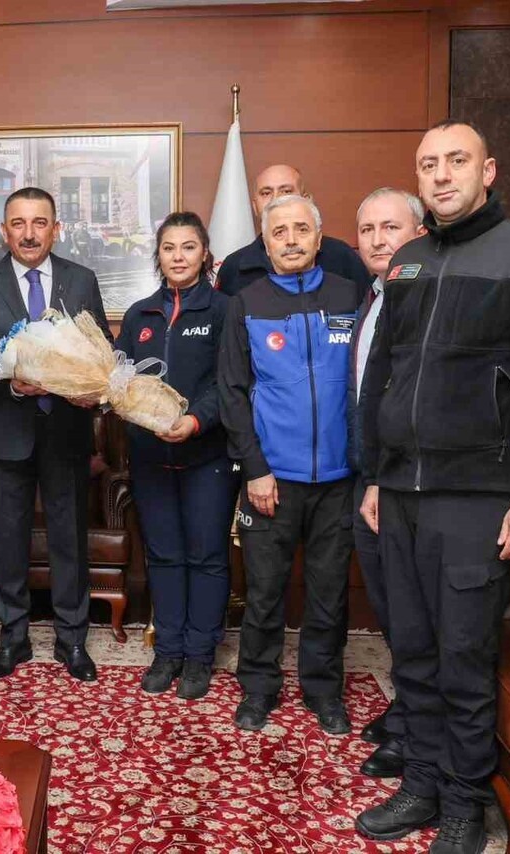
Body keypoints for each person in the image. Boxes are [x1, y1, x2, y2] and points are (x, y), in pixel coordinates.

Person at [355, 120, 510, 854]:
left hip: (481, 495)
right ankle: (423, 783)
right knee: (413, 650)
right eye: (428, 163)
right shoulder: (408, 261)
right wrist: (375, 473)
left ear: (488, 171)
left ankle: (463, 802)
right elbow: (382, 372)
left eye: (457, 160)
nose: (441, 174)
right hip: (400, 491)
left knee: (463, 656)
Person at [217, 194, 359, 736]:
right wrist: (255, 468)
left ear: (319, 238)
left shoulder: (350, 295)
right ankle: (258, 687)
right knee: (264, 593)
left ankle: (324, 690)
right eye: (280, 232)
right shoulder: (246, 303)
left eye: (302, 229)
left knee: (329, 594)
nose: (292, 240)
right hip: (271, 479)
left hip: (339, 480)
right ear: (265, 243)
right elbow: (232, 394)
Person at [0, 187, 112, 683]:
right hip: (7, 432)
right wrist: (12, 380)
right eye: (19, 223)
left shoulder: (81, 279)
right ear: (4, 231)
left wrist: (93, 387)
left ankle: (73, 639)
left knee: (70, 538)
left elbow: (101, 349)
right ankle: (13, 637)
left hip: (66, 431)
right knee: (9, 540)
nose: (29, 233)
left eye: (40, 222)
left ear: (56, 229)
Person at [114, 212, 238, 699]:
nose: (179, 256)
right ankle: (167, 651)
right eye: (169, 248)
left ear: (205, 254)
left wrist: (195, 421)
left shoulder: (225, 310)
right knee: (163, 555)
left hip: (207, 456)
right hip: (150, 457)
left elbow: (229, 383)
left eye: (189, 247)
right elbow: (120, 379)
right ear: (159, 255)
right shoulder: (139, 315)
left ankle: (200, 655)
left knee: (207, 556)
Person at [349, 187, 427, 780]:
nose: (378, 239)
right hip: (370, 475)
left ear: (419, 234)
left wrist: (382, 475)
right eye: (368, 229)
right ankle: (407, 710)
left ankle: (419, 735)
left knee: (415, 612)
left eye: (391, 227)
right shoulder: (374, 295)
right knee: (390, 604)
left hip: (405, 482)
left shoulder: (425, 296)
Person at [216, 163, 371, 300]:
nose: (276, 199)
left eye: (286, 191)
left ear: (306, 199)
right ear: (255, 206)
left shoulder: (341, 257)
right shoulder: (234, 267)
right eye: (266, 193)